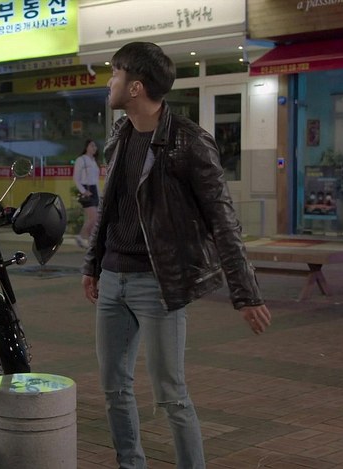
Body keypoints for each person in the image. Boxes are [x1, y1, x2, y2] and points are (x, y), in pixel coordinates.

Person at [80, 42, 272, 469]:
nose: (109, 81)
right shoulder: (121, 134)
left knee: (171, 395)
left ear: (136, 87)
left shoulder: (188, 140)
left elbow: (223, 220)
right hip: (112, 278)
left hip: (157, 284)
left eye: (115, 74)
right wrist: (93, 265)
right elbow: (112, 207)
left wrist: (246, 293)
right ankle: (130, 463)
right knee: (114, 388)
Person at [73, 139, 100, 248]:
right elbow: (76, 178)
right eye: (92, 145)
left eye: (95, 146)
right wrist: (84, 191)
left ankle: (91, 242)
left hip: (94, 190)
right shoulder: (81, 160)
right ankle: (81, 237)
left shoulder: (94, 161)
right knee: (93, 217)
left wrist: (99, 193)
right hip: (86, 190)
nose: (94, 148)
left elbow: (96, 180)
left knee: (94, 219)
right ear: (86, 147)